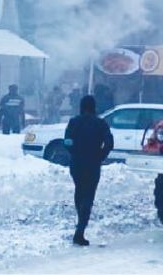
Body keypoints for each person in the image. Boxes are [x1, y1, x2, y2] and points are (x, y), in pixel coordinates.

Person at [64, 95, 113, 246]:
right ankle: (80, 230)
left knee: (79, 191)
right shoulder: (100, 123)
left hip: (77, 163)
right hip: (93, 163)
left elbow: (66, 141)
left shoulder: (73, 122)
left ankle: (80, 222)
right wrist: (101, 156)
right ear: (94, 106)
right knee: (89, 195)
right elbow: (109, 143)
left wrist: (73, 151)